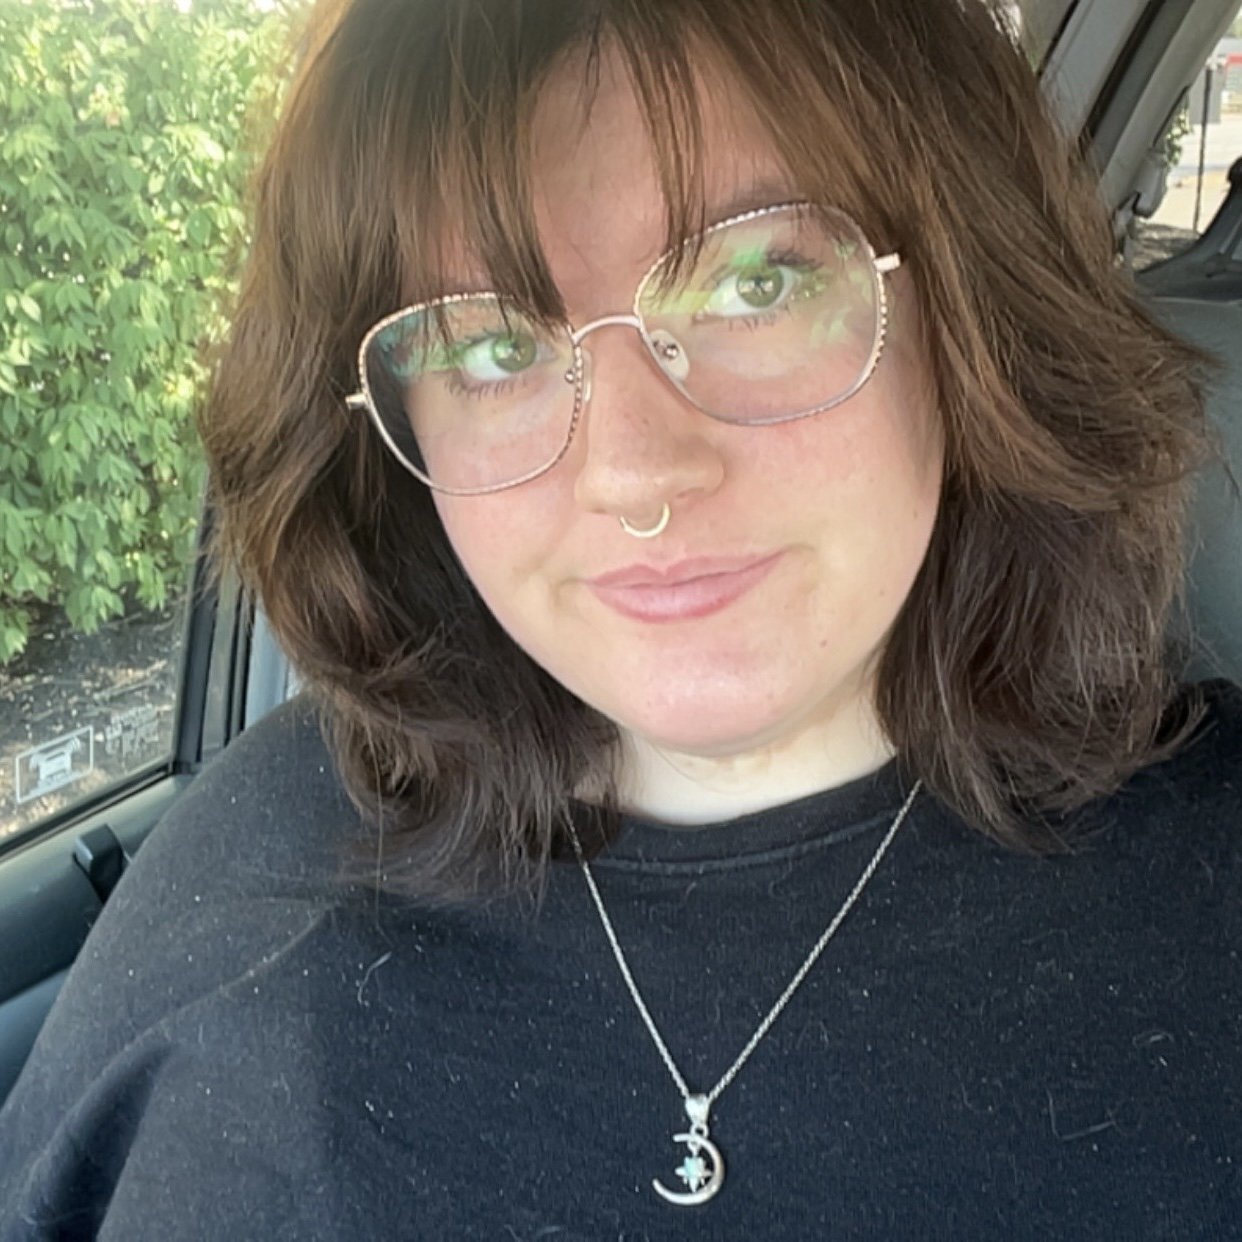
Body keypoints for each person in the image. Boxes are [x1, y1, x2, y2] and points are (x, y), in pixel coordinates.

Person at [1, 0, 1239, 1237]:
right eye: (486, 348)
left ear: (973, 313)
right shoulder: (248, 907)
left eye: (755, 280)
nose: (634, 474)